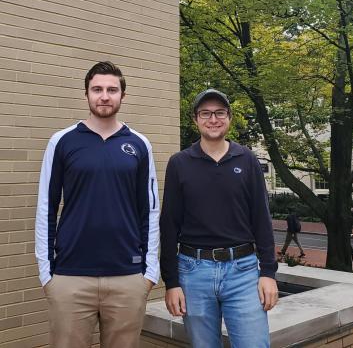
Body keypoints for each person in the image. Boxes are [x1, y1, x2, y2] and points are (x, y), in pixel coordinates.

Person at [35, 61, 160, 348]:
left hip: (128, 277)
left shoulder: (140, 144)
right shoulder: (62, 141)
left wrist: (149, 272)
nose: (104, 96)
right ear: (87, 94)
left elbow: (150, 210)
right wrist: (47, 272)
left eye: (112, 90)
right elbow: (46, 207)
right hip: (70, 277)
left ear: (122, 96)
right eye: (97, 89)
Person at [160, 88, 278, 348]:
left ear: (229, 118)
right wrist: (171, 282)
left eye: (219, 113)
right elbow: (168, 225)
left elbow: (261, 219)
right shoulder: (180, 163)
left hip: (243, 271)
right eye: (206, 113)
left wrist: (268, 272)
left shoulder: (246, 159)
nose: (213, 119)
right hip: (193, 271)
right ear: (195, 119)